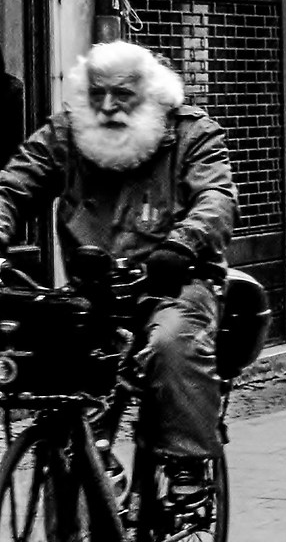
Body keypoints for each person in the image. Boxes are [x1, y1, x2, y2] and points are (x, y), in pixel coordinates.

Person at [0, 41, 237, 498]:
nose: (107, 107)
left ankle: (186, 459)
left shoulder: (190, 133)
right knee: (56, 391)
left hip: (173, 281)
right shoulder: (67, 134)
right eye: (96, 94)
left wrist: (182, 243)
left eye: (122, 94)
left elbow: (217, 199)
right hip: (92, 289)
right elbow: (14, 184)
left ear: (151, 95)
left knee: (171, 340)